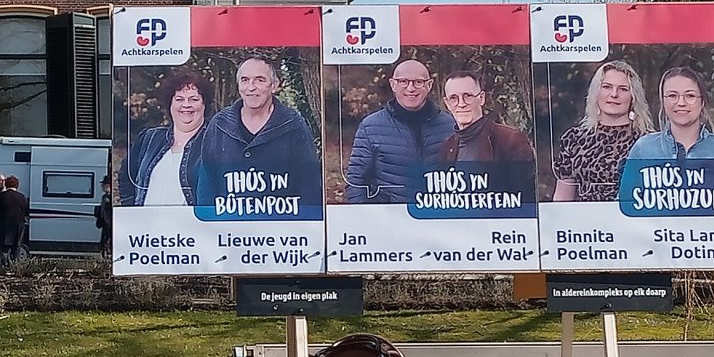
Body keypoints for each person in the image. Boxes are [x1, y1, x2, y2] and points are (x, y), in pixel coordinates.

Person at [191, 57, 323, 214]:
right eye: (245, 80)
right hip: (229, 225)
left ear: (274, 85)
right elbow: (207, 184)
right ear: (238, 85)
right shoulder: (219, 125)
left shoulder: (293, 125)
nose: (251, 87)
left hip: (281, 225)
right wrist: (209, 223)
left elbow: (309, 184)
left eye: (260, 80)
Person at [345, 57, 456, 204]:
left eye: (418, 82)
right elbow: (356, 182)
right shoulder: (370, 127)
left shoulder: (450, 125)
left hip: (438, 214)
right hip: (390, 216)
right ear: (393, 84)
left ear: (429, 85)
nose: (411, 88)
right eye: (403, 81)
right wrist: (367, 216)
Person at [550, 60, 650, 202]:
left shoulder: (646, 142)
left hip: (630, 215)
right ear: (596, 92)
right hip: (584, 215)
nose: (614, 94)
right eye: (607, 87)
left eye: (623, 89)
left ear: (633, 97)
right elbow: (562, 198)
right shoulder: (574, 139)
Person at [619, 66, 714, 177]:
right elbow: (628, 196)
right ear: (663, 101)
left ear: (702, 102)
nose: (681, 103)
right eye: (672, 96)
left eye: (690, 96)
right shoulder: (644, 149)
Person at [122, 68, 210, 207]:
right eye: (179, 99)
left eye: (194, 99)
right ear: (170, 104)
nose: (186, 105)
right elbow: (126, 178)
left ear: (204, 104)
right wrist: (131, 210)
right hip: (146, 221)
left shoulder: (215, 142)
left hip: (191, 221)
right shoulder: (150, 138)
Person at [435, 70, 534, 168]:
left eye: (468, 96)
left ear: (482, 98)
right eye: (453, 98)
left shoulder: (510, 140)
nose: (461, 104)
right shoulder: (447, 146)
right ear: (447, 103)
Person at [0, 173, 33, 263]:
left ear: (6, 185)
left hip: (4, 225)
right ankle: (15, 263)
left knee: (4, 246)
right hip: (18, 225)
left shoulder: (1, 196)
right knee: (16, 247)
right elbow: (26, 211)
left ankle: (4, 262)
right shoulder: (22, 197)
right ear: (17, 185)